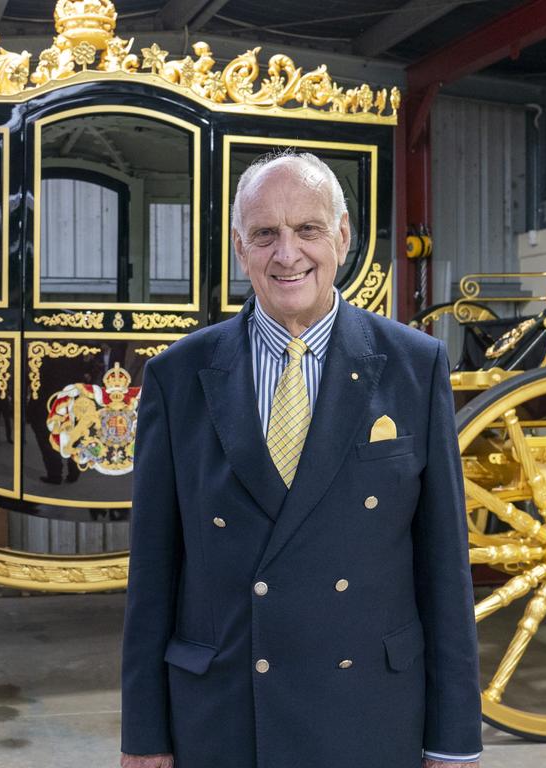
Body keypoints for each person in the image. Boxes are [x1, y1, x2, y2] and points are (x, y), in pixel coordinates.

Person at [120, 152, 482, 768]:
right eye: (266, 234)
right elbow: (152, 573)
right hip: (224, 714)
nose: (287, 254)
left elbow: (444, 567)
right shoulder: (177, 377)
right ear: (241, 248)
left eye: (307, 229)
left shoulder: (414, 366)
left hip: (369, 710)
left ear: (342, 237)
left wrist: (454, 741)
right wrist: (145, 737)